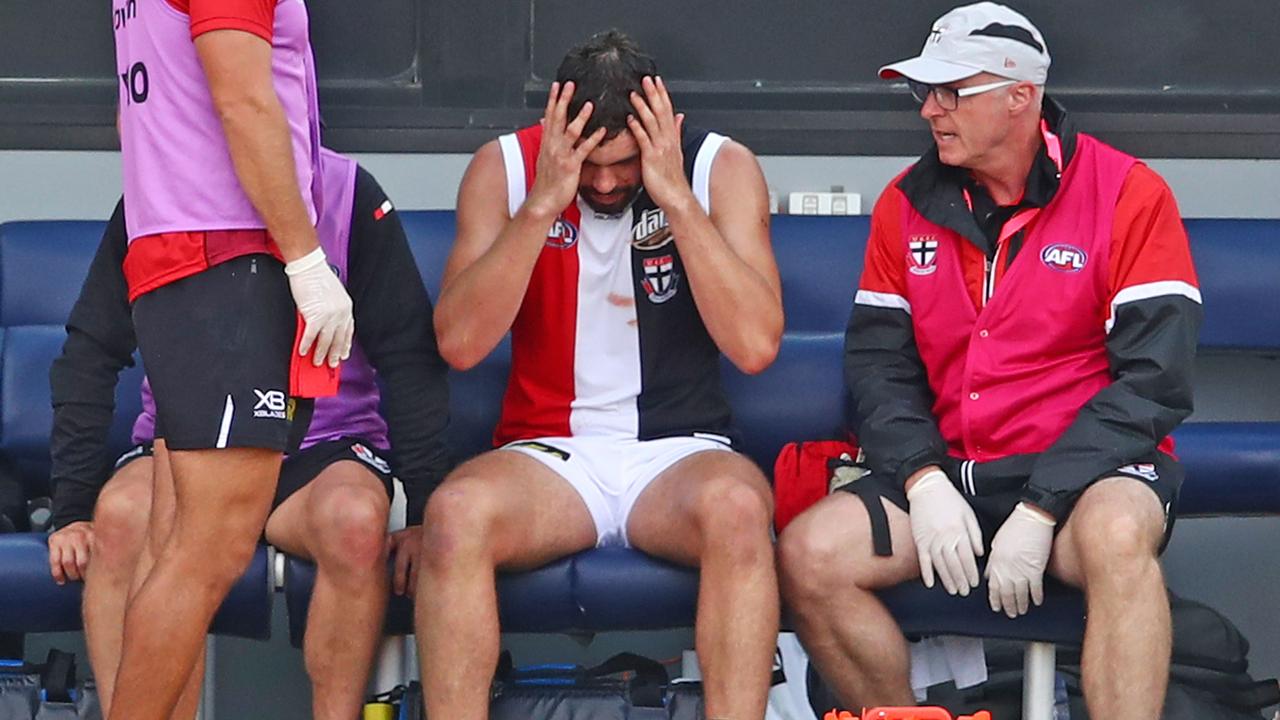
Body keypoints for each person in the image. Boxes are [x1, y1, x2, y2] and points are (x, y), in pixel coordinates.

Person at [777, 4, 1201, 718]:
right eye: (924, 93)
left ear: (1021, 96)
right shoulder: (904, 202)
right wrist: (921, 476)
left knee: (1120, 539)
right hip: (952, 476)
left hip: (1084, 482)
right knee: (810, 555)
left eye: (952, 92)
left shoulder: (1129, 193)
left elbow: (1156, 382)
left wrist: (1042, 506)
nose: (932, 112)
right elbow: (878, 364)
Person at [420, 29, 784, 720]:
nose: (609, 182)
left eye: (623, 163)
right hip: (549, 457)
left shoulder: (717, 168)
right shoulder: (505, 167)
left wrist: (675, 197)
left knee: (739, 512)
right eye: (590, 166)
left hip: (678, 452)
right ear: (558, 130)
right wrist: (542, 202)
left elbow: (756, 345)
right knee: (453, 515)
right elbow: (460, 344)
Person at [46, 149, 449, 719]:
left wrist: (423, 511)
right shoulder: (159, 195)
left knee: (355, 522)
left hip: (318, 449)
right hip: (189, 444)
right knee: (120, 519)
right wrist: (71, 508)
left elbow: (409, 356)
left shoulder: (346, 190)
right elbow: (90, 350)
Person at [108, 0, 355, 716]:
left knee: (180, 545)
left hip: (182, 253)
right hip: (225, 255)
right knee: (206, 553)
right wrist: (306, 259)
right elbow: (244, 101)